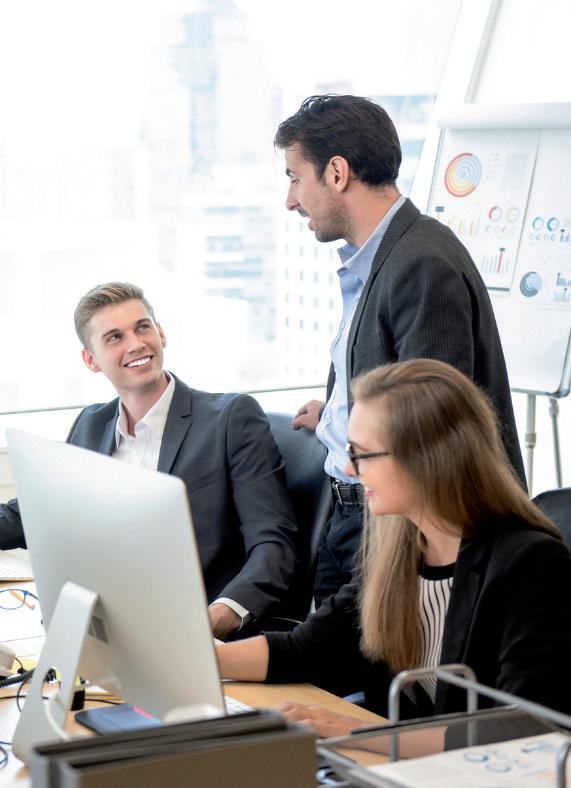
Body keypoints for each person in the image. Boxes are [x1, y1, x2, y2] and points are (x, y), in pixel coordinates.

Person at [216, 359, 571, 738]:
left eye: (363, 454)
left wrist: (358, 731)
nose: (350, 470)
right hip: (397, 761)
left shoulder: (531, 565)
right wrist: (204, 658)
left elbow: (522, 728)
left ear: (426, 457)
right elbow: (309, 648)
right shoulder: (400, 549)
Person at [275, 94, 526, 605]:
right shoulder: (381, 258)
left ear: (337, 173)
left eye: (295, 178)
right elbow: (393, 375)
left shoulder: (421, 264)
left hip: (396, 530)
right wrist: (337, 414)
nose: (291, 200)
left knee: (364, 658)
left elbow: (429, 432)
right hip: (355, 516)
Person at [0, 282, 298, 640]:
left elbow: (273, 544)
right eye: (115, 337)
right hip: (107, 630)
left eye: (142, 328)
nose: (136, 344)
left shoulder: (229, 419)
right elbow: (38, 511)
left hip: (197, 633)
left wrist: (218, 617)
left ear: (161, 334)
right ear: (91, 360)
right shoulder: (91, 425)